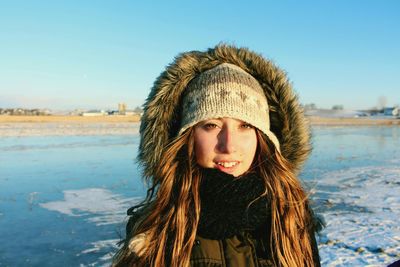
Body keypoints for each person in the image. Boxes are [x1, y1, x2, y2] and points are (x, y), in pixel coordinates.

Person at [113, 44, 323, 267]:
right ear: (188, 136)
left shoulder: (291, 218)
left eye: (245, 126)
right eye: (211, 125)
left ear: (264, 138)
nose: (229, 145)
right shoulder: (156, 230)